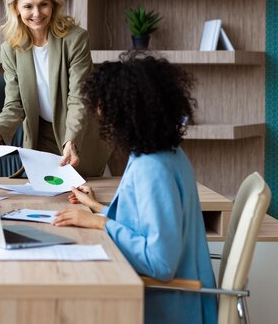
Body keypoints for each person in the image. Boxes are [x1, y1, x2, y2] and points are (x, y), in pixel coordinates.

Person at [53, 52, 217, 324]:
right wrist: (98, 208)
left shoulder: (152, 169)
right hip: (174, 298)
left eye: (104, 107)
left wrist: (99, 223)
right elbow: (147, 224)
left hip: (168, 307)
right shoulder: (165, 153)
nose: (99, 114)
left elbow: (160, 264)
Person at [0, 0, 109, 177]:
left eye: (43, 4)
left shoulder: (75, 39)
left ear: (53, 4)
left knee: (82, 200)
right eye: (28, 6)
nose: (37, 13)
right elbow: (14, 104)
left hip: (79, 137)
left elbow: (79, 97)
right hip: (41, 140)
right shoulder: (11, 48)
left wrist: (71, 140)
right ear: (16, 9)